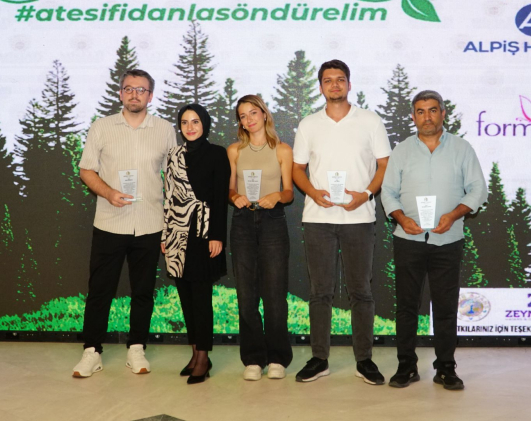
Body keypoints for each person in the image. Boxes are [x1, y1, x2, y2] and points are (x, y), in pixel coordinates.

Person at [292, 59, 391, 385]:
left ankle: (364, 360)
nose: (334, 84)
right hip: (317, 219)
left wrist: (366, 194)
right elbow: (297, 170)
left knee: (361, 292)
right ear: (320, 86)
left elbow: (384, 164)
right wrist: (312, 192)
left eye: (340, 79)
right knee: (320, 292)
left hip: (359, 218)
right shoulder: (309, 124)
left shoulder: (370, 121)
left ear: (349, 84)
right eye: (328, 80)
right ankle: (319, 359)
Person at [73, 69, 177, 378]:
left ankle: (136, 348)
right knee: (100, 290)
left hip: (150, 224)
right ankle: (92, 351)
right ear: (120, 93)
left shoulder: (164, 129)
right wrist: (108, 192)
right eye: (129, 88)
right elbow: (86, 170)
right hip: (110, 222)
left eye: (141, 90)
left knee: (143, 291)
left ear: (150, 96)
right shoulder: (101, 127)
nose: (134, 94)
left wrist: (170, 226)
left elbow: (173, 179)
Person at [381, 90, 487, 390]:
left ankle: (446, 368)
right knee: (406, 307)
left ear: (443, 113)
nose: (426, 117)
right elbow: (388, 192)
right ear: (413, 116)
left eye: (432, 110)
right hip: (408, 238)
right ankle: (406, 366)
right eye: (420, 111)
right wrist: (401, 218)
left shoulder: (462, 148)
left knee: (445, 307)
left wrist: (453, 215)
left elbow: (478, 189)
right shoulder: (402, 150)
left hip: (448, 239)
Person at [227, 95, 294, 381]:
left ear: (264, 114)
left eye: (253, 112)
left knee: (275, 295)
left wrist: (277, 195)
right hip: (242, 222)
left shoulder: (282, 150)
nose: (249, 119)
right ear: (240, 122)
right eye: (243, 116)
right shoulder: (234, 151)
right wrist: (235, 197)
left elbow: (289, 192)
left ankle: (278, 357)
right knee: (246, 295)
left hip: (272, 222)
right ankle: (253, 358)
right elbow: (229, 190)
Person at [162, 104, 230, 384]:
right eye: (184, 122)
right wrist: (165, 235)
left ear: (205, 124)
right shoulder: (174, 155)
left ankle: (203, 357)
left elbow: (220, 198)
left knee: (201, 298)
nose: (190, 127)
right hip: (177, 234)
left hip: (204, 233)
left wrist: (217, 236)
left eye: (195, 121)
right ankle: (194, 353)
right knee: (186, 298)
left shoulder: (217, 153)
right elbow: (168, 197)